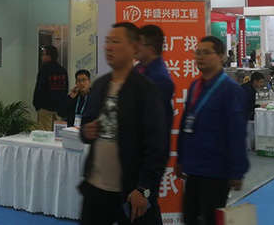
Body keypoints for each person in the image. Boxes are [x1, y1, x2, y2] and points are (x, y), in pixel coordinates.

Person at [79, 22, 167, 225]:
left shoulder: (146, 90)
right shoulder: (100, 85)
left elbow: (157, 146)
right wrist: (86, 131)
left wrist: (143, 188)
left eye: (116, 42)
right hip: (96, 188)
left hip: (130, 193)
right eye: (107, 41)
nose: (109, 47)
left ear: (134, 48)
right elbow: (85, 126)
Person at [176, 36, 249, 225]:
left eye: (206, 53)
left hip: (216, 171)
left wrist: (237, 171)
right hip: (194, 168)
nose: (200, 57)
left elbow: (237, 133)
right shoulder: (195, 86)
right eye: (198, 53)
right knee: (190, 218)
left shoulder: (230, 90)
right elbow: (186, 124)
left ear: (221, 56)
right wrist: (181, 158)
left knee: (210, 220)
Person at [135, 24, 175, 127]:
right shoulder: (138, 68)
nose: (135, 47)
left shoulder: (160, 79)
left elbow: (158, 122)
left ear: (150, 49)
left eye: (139, 43)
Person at [32, 45, 68, 131]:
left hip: (46, 108)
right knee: (58, 133)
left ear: (49, 56)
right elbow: (65, 89)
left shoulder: (44, 70)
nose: (42, 56)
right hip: (59, 108)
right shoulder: (62, 70)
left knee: (46, 133)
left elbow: (40, 88)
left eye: (43, 54)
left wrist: (36, 104)